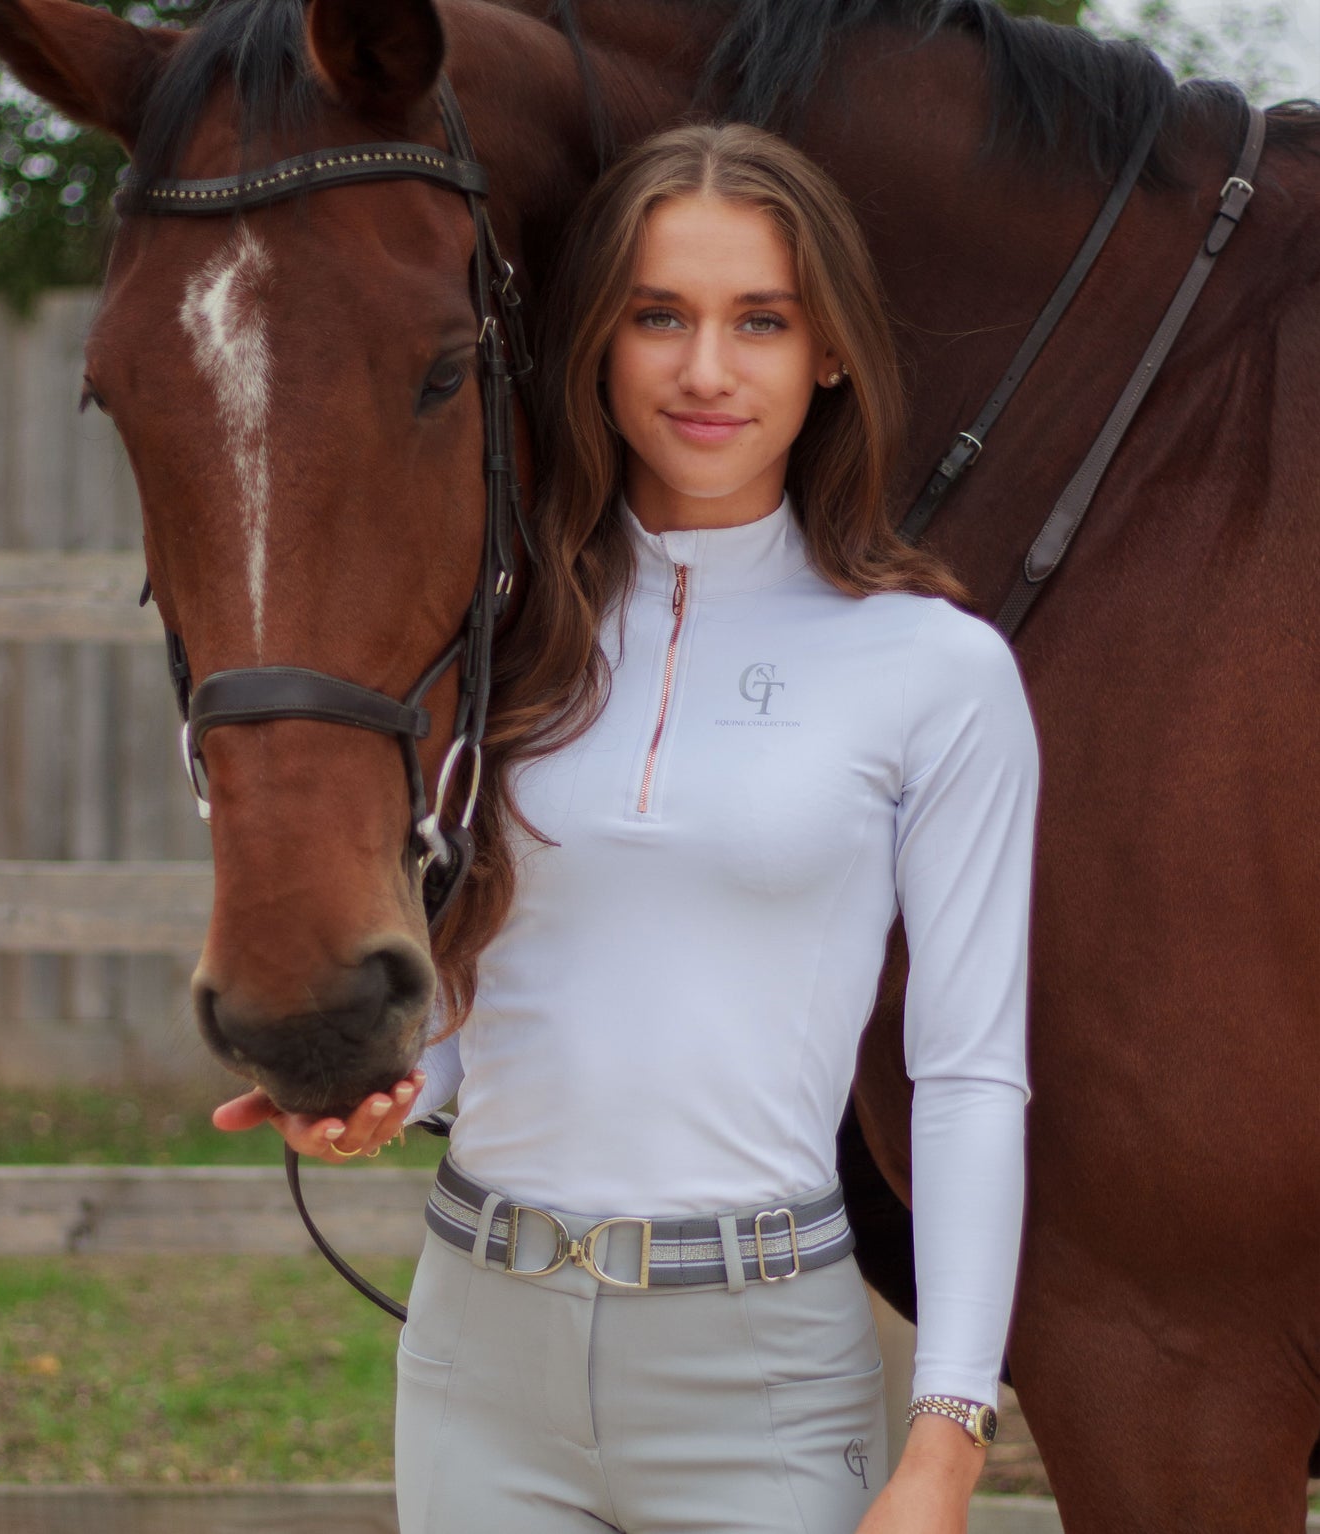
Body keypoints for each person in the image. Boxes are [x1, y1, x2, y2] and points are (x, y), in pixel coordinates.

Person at [215, 121, 1039, 1534]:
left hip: (765, 1372)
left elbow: (964, 1071)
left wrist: (947, 1435)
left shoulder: (931, 669)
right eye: (658, 315)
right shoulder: (499, 646)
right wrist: (392, 1089)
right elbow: (502, 1001)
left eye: (759, 321)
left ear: (827, 351)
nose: (705, 370)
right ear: (595, 339)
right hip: (480, 1351)